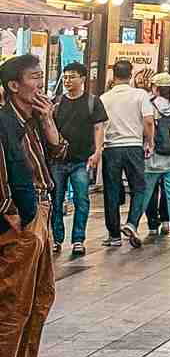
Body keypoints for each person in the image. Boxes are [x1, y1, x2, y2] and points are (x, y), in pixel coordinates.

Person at [0, 54, 68, 357]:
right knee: (14, 298)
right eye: (33, 77)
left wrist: (48, 121)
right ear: (14, 85)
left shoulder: (32, 120)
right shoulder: (3, 122)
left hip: (42, 210)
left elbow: (59, 152)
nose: (40, 83)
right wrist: (14, 216)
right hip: (22, 219)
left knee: (42, 295)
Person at [50, 63, 106, 258]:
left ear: (82, 79)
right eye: (65, 77)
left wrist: (97, 151)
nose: (67, 80)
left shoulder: (92, 102)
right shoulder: (56, 102)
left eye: (72, 76)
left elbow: (99, 128)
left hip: (82, 160)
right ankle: (56, 239)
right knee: (56, 200)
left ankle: (78, 240)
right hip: (58, 160)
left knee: (81, 200)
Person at [100, 59, 153, 249]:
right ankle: (131, 223)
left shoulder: (104, 98)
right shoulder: (140, 95)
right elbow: (148, 121)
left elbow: (99, 126)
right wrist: (150, 142)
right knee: (139, 187)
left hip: (111, 148)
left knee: (111, 191)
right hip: (133, 146)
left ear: (113, 76)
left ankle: (114, 235)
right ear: (130, 75)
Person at [130, 72, 170, 243]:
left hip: (153, 158)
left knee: (145, 193)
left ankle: (133, 225)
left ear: (156, 88)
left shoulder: (150, 105)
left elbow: (144, 128)